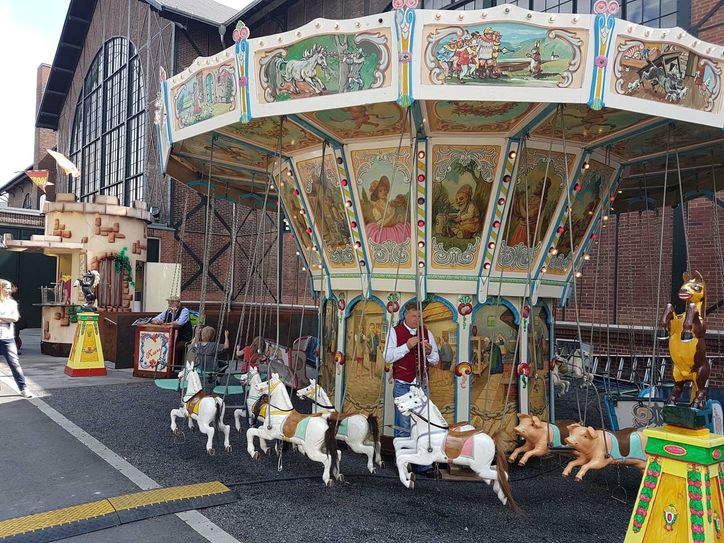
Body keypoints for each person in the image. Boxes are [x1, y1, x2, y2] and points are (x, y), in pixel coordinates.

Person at [384, 302, 439, 474]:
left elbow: (435, 359)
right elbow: (387, 356)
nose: (417, 319)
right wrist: (407, 346)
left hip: (421, 384)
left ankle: (424, 463)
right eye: (414, 316)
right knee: (403, 423)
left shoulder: (427, 333)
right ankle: (403, 462)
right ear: (406, 315)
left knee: (424, 423)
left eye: (420, 316)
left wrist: (429, 352)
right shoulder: (395, 332)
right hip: (403, 384)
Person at [0, 280, 33, 398]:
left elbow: (14, 318)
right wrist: (6, 318)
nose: (9, 290)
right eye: (7, 288)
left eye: (10, 288)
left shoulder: (12, 303)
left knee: (14, 363)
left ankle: (23, 388)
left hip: (7, 337)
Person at [152, 296, 193, 365]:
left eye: (171, 302)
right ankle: (163, 365)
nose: (169, 304)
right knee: (161, 346)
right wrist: (157, 322)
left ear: (178, 303)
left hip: (183, 338)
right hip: (170, 338)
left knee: (173, 347)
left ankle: (174, 366)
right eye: (169, 302)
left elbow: (179, 323)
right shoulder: (167, 311)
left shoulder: (184, 311)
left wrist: (165, 323)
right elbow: (154, 319)